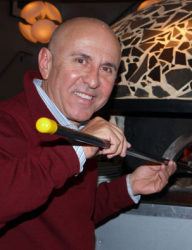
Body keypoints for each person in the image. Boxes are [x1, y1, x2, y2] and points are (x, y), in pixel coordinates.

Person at [0, 17, 176, 249]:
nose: (93, 80)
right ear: (46, 63)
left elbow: (70, 215)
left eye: (106, 68)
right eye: (81, 60)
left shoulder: (77, 125)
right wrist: (77, 149)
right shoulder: (7, 120)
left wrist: (129, 186)